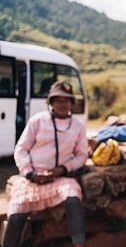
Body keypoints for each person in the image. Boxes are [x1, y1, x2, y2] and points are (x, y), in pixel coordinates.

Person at [3, 81, 88, 247]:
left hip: (60, 178)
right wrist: (30, 173)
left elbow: (81, 155)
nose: (63, 104)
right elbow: (21, 149)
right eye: (58, 100)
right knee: (16, 214)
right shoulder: (38, 121)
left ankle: (79, 243)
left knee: (73, 200)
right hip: (31, 179)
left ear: (72, 103)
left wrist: (62, 170)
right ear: (51, 103)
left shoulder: (78, 127)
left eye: (67, 100)